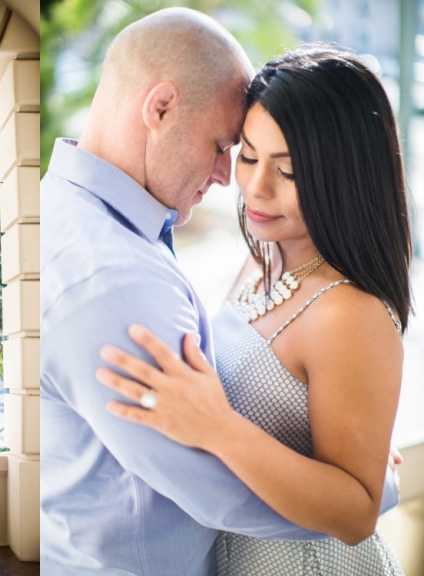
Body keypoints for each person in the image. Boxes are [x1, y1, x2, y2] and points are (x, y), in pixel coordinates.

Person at [40, 8, 399, 575]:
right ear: (159, 108)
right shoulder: (243, 265)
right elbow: (214, 478)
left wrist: (363, 477)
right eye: (238, 151)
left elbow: (351, 508)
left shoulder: (347, 311)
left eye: (287, 169)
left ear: (338, 174)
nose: (241, 181)